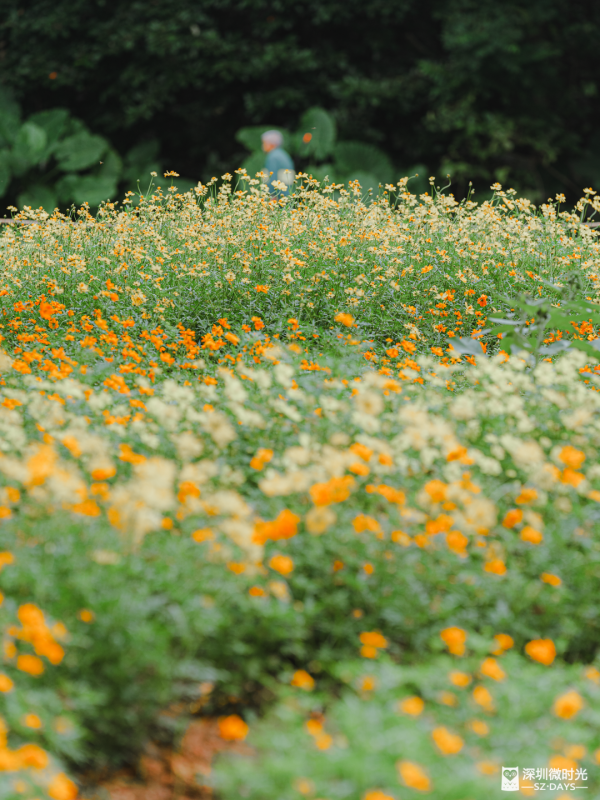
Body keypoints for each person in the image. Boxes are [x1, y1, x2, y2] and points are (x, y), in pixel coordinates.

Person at [261, 130, 295, 195]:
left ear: (271, 144)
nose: (263, 146)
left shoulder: (273, 156)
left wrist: (271, 194)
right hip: (287, 194)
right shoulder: (284, 154)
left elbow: (272, 178)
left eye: (264, 143)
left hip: (277, 196)